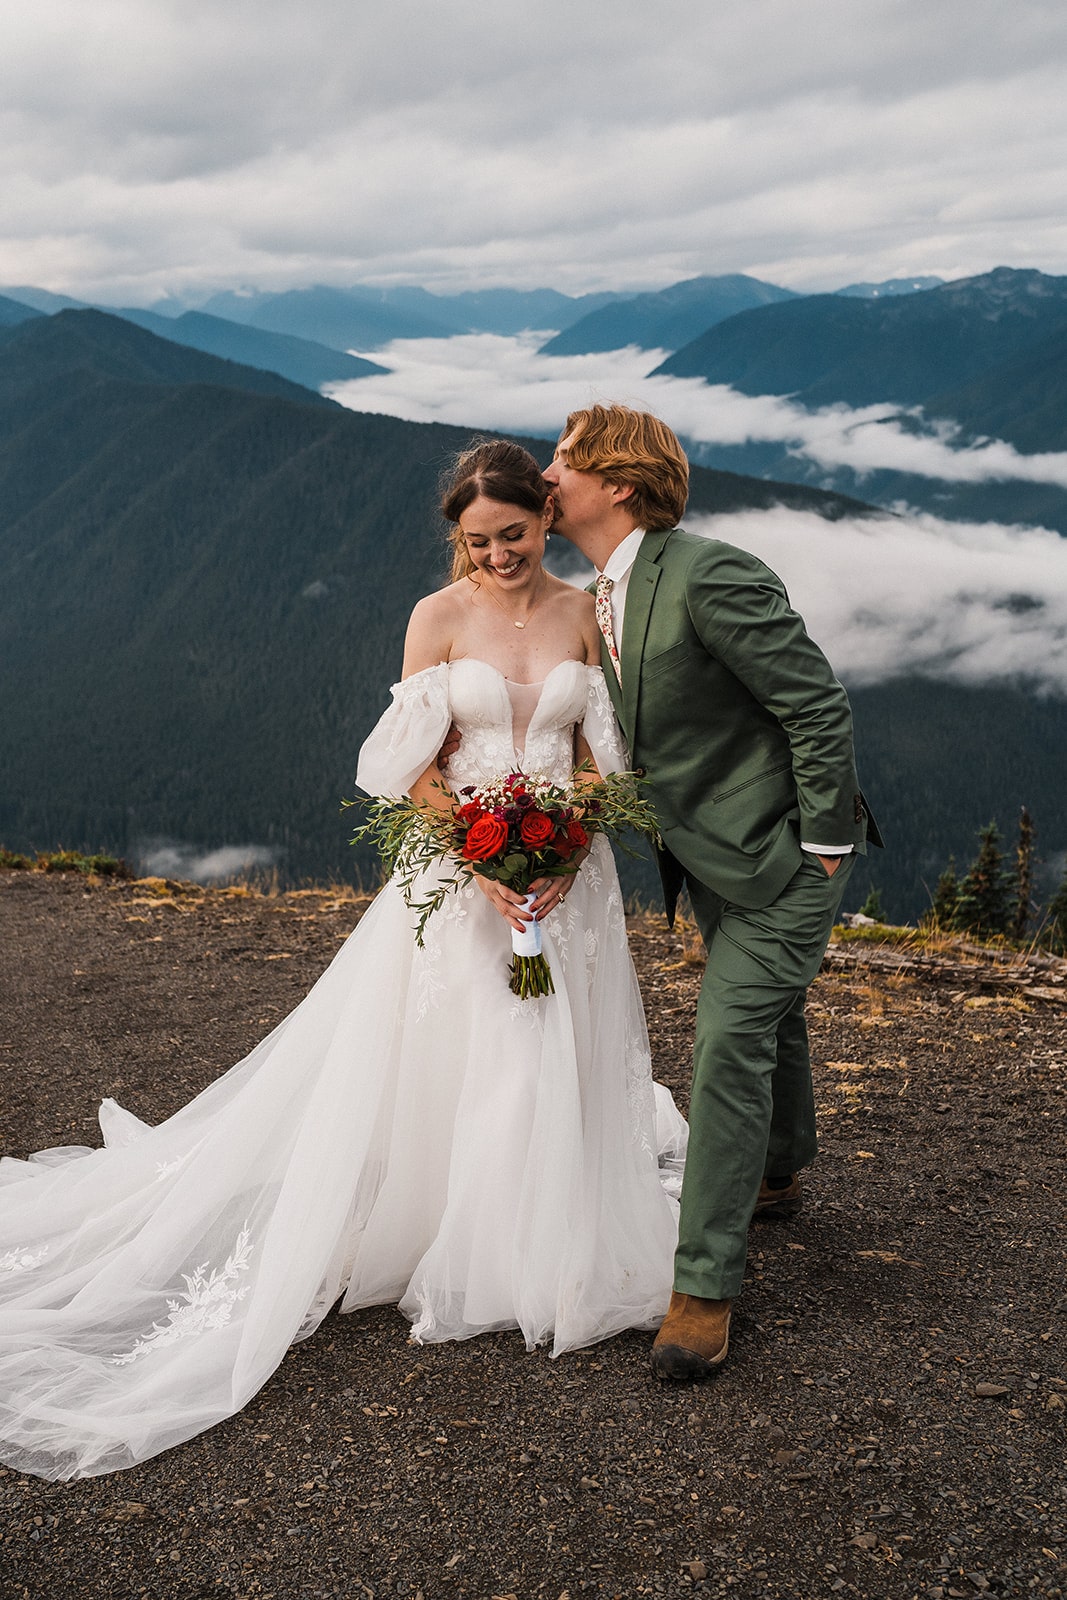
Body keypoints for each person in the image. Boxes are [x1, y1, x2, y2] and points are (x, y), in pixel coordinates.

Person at [0, 440, 685, 1481]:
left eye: (514, 533)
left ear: (545, 519)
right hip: (461, 873)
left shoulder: (584, 611)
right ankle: (448, 1230)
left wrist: (565, 845)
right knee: (467, 1043)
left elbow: (601, 760)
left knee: (548, 1037)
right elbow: (406, 767)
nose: (498, 554)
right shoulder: (435, 616)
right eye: (477, 540)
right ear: (456, 538)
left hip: (565, 880)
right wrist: (481, 851)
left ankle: (532, 1242)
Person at [542, 404, 881, 1381]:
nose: (545, 473)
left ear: (617, 485)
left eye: (562, 460)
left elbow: (812, 703)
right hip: (705, 856)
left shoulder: (708, 573)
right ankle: (779, 1163)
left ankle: (702, 1288)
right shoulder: (600, 592)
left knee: (728, 1037)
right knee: (767, 1020)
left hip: (780, 857)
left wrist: (819, 845)